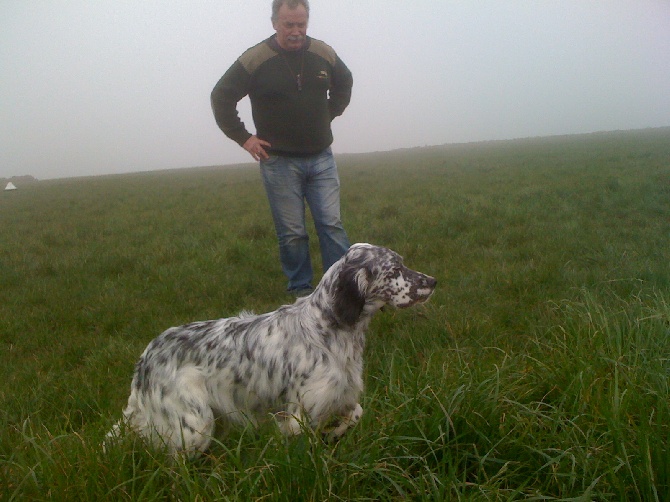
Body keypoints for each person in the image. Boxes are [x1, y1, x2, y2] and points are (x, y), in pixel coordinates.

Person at [211, 0, 353, 297]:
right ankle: (301, 292)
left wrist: (330, 112)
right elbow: (221, 96)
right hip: (278, 162)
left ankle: (341, 289)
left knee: (332, 225)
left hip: (321, 157)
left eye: (301, 24)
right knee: (292, 234)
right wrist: (244, 138)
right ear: (275, 23)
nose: (296, 31)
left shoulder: (322, 52)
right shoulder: (255, 58)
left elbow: (345, 81)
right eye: (289, 24)